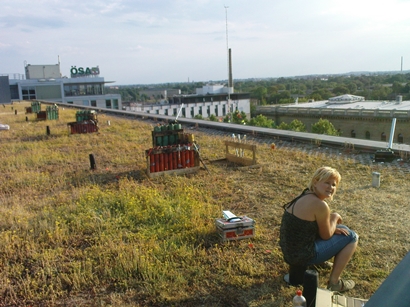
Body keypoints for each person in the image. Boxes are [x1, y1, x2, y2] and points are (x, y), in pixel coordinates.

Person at [279, 166, 358, 292]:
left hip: (290, 253)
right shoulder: (320, 205)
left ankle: (318, 263)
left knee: (341, 228)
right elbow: (326, 236)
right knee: (352, 236)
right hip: (303, 255)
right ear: (315, 181)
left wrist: (333, 225)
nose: (331, 187)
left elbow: (307, 228)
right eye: (326, 182)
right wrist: (335, 217)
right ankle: (335, 282)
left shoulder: (305, 194)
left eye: (334, 184)